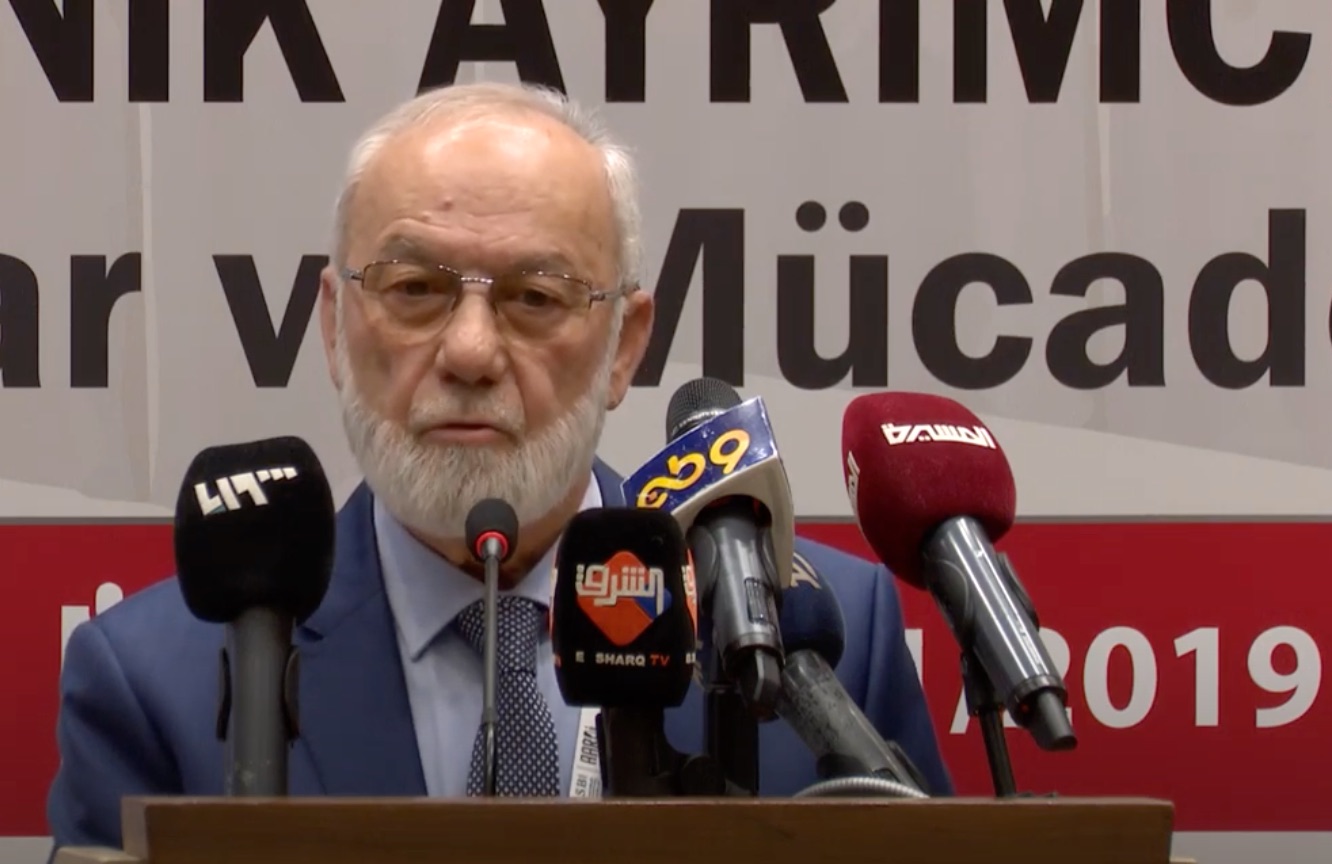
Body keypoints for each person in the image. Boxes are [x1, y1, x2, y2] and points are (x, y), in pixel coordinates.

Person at [46, 82, 953, 851]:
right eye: (413, 289)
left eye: (535, 297)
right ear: (332, 325)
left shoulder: (821, 642)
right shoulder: (150, 679)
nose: (471, 352)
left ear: (624, 346)